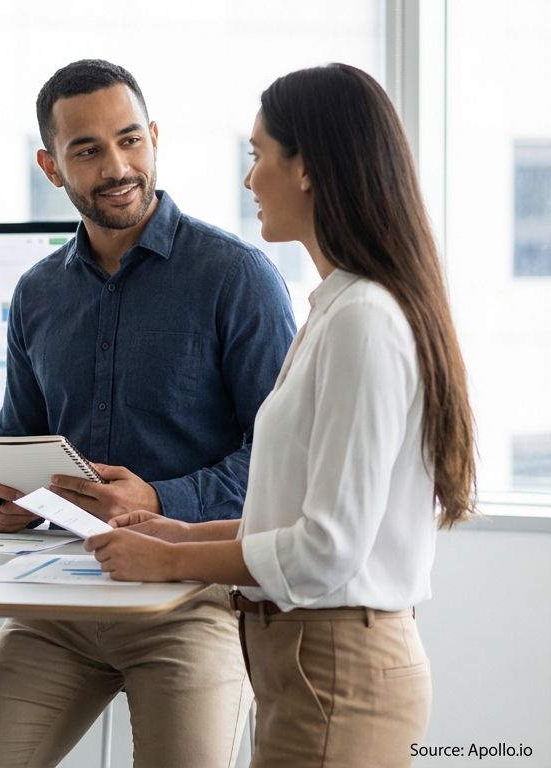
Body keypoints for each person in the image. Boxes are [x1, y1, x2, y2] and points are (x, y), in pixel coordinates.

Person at [85, 63, 476, 768]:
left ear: (307, 169)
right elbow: (302, 516)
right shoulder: (336, 308)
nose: (248, 180)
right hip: (308, 667)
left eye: (258, 155)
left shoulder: (364, 319)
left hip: (336, 672)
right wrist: (184, 529)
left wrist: (174, 560)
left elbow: (325, 549)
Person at [0, 60, 297, 768]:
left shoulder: (235, 277)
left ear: (154, 138)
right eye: (87, 150)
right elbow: (20, 444)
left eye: (129, 140)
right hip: (62, 601)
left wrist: (159, 498)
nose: (117, 166)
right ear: (52, 168)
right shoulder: (36, 294)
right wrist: (7, 499)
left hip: (191, 599)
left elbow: (282, 463)